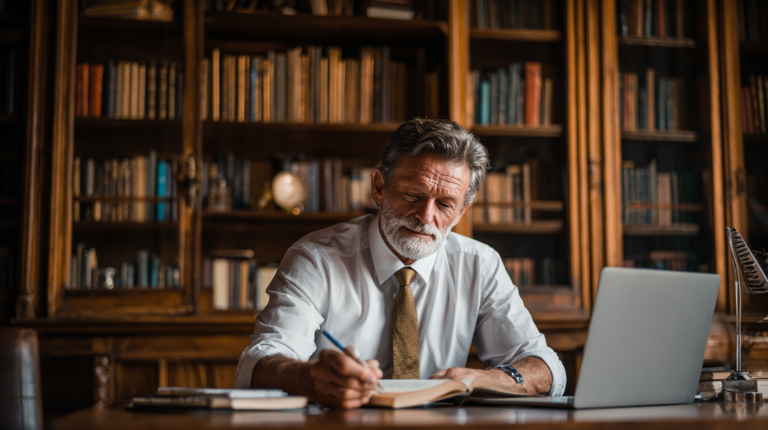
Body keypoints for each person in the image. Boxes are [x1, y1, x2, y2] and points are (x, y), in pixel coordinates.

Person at [235, 118, 566, 408]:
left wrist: (493, 380)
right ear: (379, 186)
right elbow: (258, 363)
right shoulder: (315, 258)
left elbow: (547, 367)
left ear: (462, 212)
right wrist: (309, 377)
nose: (426, 217)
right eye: (412, 194)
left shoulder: (480, 264)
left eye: (446, 204)